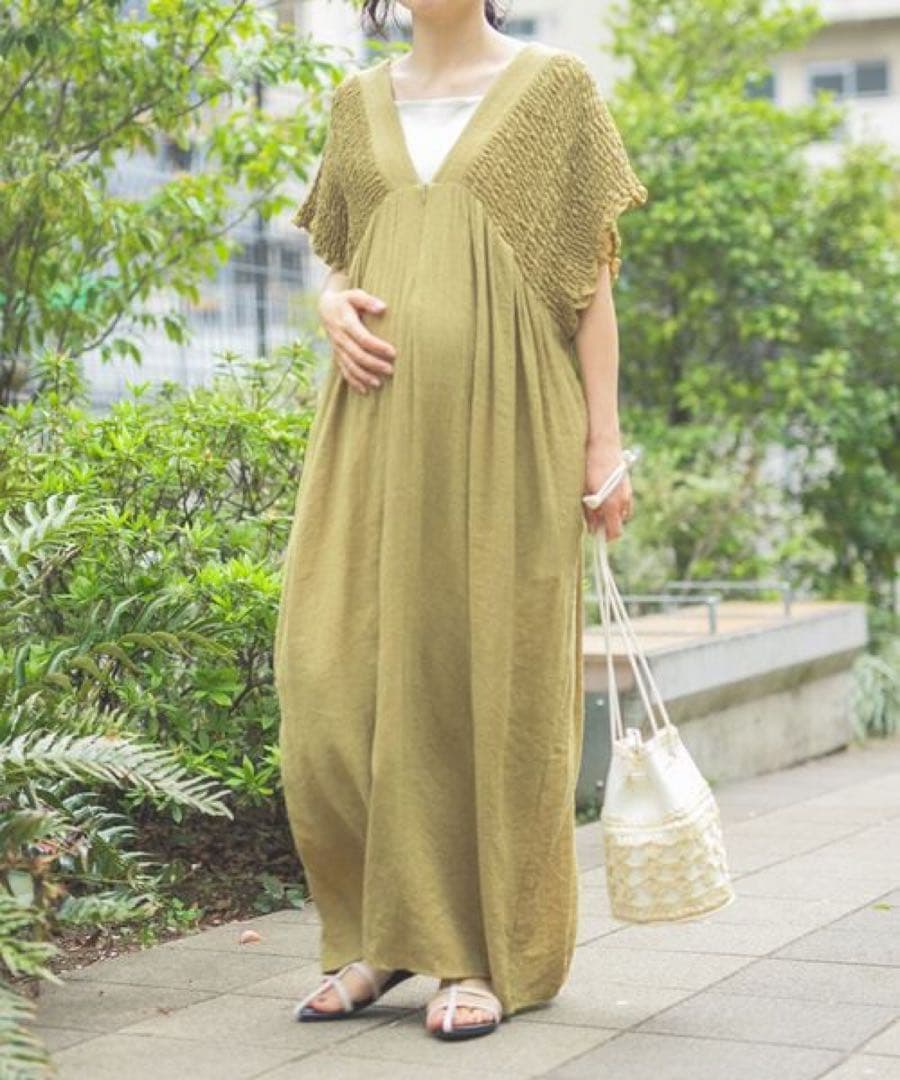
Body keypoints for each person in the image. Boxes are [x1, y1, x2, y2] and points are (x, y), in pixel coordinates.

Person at [273, 0, 647, 1042]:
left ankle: (476, 955)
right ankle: (380, 935)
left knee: (487, 684)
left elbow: (591, 282)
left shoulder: (554, 88)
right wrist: (330, 304)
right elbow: (346, 260)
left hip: (512, 429)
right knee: (327, 679)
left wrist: (603, 447)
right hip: (370, 430)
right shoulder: (356, 103)